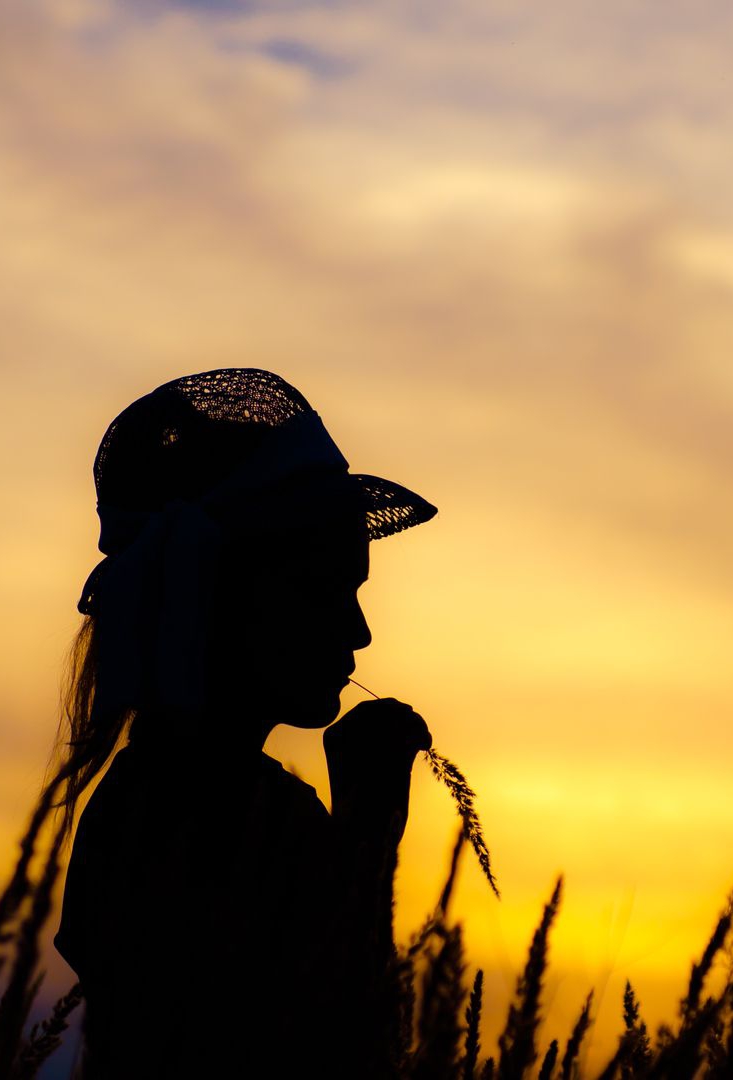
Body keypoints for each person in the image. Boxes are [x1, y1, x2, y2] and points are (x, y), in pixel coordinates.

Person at [42, 369, 439, 1077]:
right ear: (219, 597)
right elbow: (332, 1044)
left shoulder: (152, 795)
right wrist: (367, 837)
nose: (359, 632)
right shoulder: (209, 816)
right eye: (323, 592)